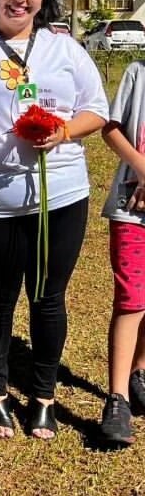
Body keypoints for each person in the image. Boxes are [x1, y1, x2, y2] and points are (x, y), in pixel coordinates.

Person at [0, 0, 107, 440]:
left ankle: (44, 396)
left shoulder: (64, 49)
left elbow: (97, 109)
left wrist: (63, 132)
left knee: (48, 298)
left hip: (61, 194)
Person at [98, 60, 145, 445]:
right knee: (131, 299)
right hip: (132, 210)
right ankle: (117, 398)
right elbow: (110, 130)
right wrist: (143, 168)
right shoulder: (137, 73)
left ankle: (139, 373)